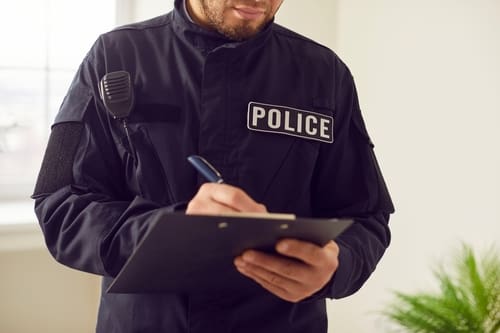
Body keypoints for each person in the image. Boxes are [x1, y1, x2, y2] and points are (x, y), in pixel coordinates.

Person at [32, 0, 394, 332]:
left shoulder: (325, 74)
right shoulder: (114, 57)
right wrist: (170, 232)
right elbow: (60, 203)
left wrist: (337, 265)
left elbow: (367, 215)